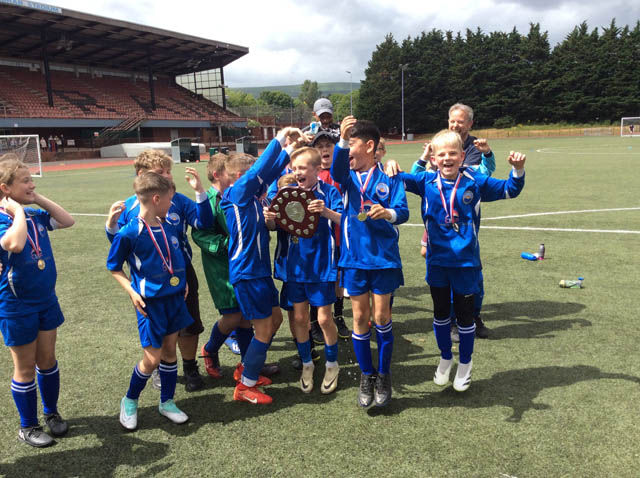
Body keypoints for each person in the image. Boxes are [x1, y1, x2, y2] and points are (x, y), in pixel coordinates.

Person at [392, 129, 526, 392]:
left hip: (465, 264)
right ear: (433, 158)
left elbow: (510, 190)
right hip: (437, 263)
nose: (447, 158)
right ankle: (445, 357)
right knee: (441, 315)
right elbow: (397, 178)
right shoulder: (426, 182)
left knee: (465, 319)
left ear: (462, 156)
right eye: (441, 154)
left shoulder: (474, 181)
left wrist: (518, 170)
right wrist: (389, 165)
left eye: (453, 153)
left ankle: (465, 362)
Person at [105, 150, 213, 392]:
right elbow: (117, 247)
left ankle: (190, 365)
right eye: (161, 172)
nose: (168, 176)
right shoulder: (130, 208)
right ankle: (157, 369)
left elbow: (203, 222)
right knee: (159, 330)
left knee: (188, 323)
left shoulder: (177, 200)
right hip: (149, 281)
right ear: (143, 176)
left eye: (168, 171)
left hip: (182, 275)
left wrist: (199, 191)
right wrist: (111, 224)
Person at [221, 127, 309, 404]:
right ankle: (246, 386)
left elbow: (269, 174)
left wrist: (290, 150)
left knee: (276, 319)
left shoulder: (254, 198)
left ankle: (248, 368)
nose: (264, 182)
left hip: (260, 272)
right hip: (248, 273)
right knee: (262, 329)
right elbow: (261, 170)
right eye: (255, 178)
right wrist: (281, 137)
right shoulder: (238, 194)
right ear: (241, 178)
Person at [331, 116, 409, 408]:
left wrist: (386, 213)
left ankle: (384, 374)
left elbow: (402, 211)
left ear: (369, 145)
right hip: (354, 260)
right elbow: (337, 169)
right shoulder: (347, 178)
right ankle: (367, 375)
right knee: (360, 318)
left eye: (352, 143)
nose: (348, 150)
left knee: (382, 318)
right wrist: (340, 139)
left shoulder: (390, 177)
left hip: (384, 261)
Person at [108, 172, 193, 430]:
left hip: (175, 299)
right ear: (156, 198)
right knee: (152, 359)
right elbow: (114, 267)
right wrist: (132, 291)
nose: (172, 203)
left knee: (169, 351)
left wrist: (183, 280)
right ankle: (130, 400)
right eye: (170, 198)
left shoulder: (168, 225)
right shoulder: (130, 232)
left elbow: (174, 257)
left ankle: (166, 402)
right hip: (150, 303)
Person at [0, 155, 75, 447]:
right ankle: (27, 426)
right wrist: (18, 211)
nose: (32, 184)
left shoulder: (34, 215)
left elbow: (67, 221)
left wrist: (35, 198)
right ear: (5, 188)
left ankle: (51, 414)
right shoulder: (8, 219)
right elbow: (15, 244)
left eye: (32, 179)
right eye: (25, 181)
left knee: (47, 360)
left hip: (46, 300)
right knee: (26, 368)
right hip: (16, 307)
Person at [192, 153, 275, 386]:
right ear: (220, 175)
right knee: (233, 315)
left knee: (247, 318)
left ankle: (249, 365)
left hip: (244, 262)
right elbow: (199, 233)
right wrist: (231, 244)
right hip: (222, 266)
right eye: (233, 175)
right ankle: (210, 349)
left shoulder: (243, 196)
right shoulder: (208, 200)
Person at [264, 147, 343, 394]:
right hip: (294, 266)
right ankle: (307, 363)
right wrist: (269, 219)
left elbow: (343, 219)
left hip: (320, 265)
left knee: (323, 318)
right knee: (299, 318)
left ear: (317, 170)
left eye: (302, 168)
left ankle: (332, 364)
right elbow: (275, 226)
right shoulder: (284, 193)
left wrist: (326, 212)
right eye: (294, 168)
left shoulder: (328, 192)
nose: (297, 172)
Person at [311, 131, 349, 340]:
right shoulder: (312, 175)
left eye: (328, 145)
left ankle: (339, 316)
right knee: (318, 278)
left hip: (340, 235)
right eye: (320, 146)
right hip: (319, 239)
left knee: (338, 279)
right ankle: (314, 321)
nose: (325, 149)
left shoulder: (342, 173)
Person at [447, 103, 495, 167]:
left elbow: (465, 173)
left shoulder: (476, 147)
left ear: (470, 124)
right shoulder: (439, 144)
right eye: (452, 121)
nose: (455, 125)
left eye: (460, 122)